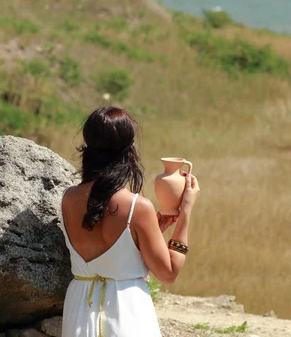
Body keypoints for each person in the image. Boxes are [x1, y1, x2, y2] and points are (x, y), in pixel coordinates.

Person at [60, 106, 200, 337]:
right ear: (128, 151)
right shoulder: (138, 207)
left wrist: (147, 233)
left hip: (80, 309)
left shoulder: (67, 198)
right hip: (126, 310)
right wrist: (185, 211)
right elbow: (169, 273)